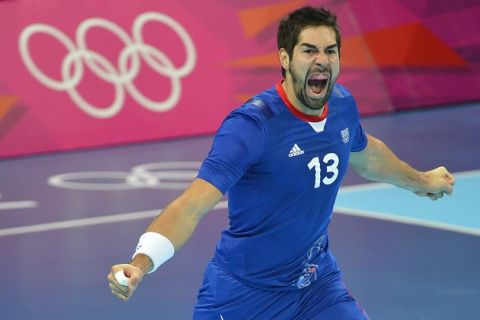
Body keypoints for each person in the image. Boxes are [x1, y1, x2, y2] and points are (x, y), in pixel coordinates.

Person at [107, 6, 455, 319]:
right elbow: (190, 207)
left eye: (330, 51)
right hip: (243, 295)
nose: (322, 60)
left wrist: (422, 182)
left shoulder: (342, 105)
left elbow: (367, 154)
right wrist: (141, 263)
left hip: (316, 286)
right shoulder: (252, 126)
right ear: (286, 58)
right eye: (309, 50)